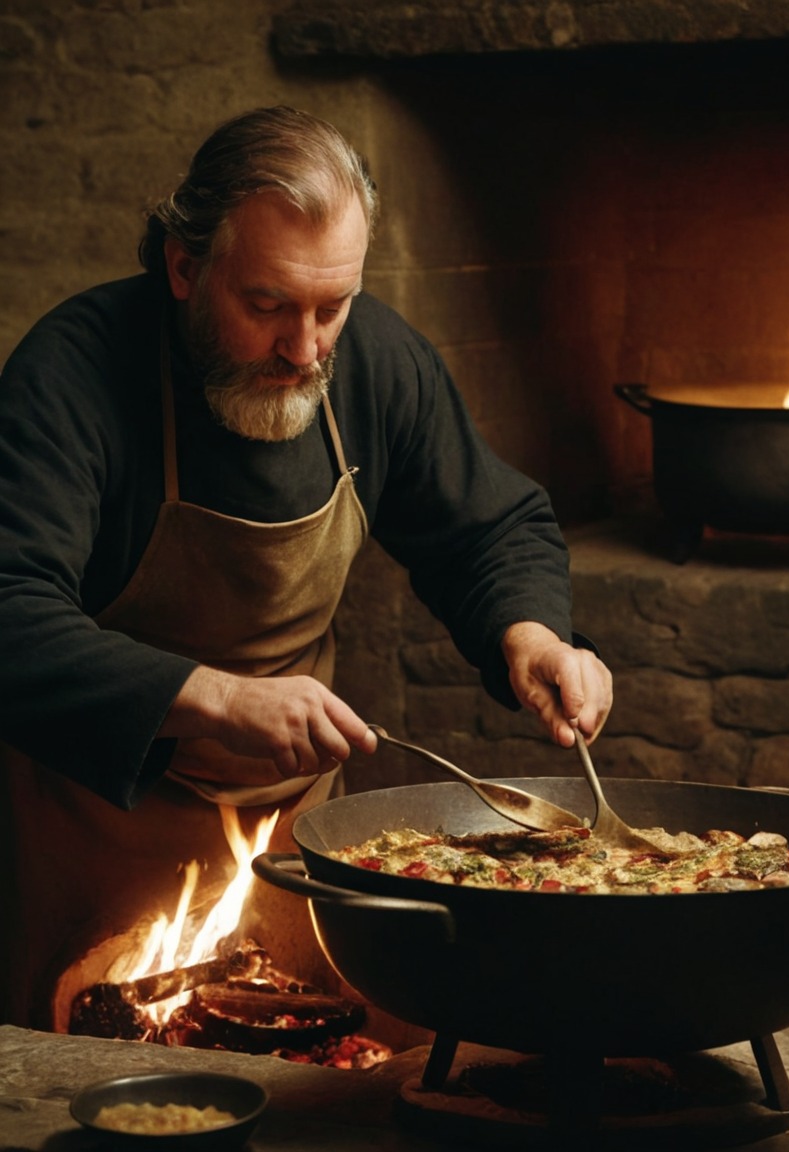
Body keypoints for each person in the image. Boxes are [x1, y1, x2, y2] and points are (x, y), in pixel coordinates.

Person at [0, 106, 612, 1028]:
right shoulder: (72, 374)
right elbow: (9, 611)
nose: (307, 349)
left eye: (334, 307)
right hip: (93, 829)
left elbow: (490, 524)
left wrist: (529, 632)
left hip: (293, 834)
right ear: (182, 265)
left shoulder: (373, 362)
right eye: (268, 306)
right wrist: (223, 697)